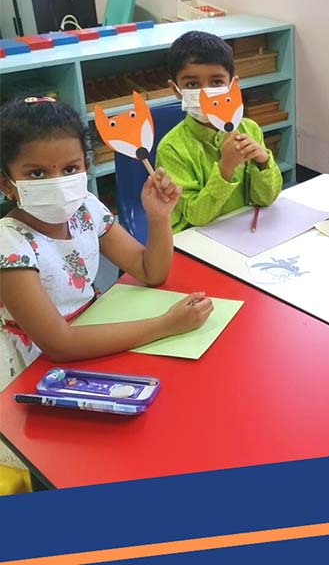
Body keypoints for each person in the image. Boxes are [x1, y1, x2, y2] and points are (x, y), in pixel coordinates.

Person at [0, 97, 213, 493]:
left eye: (69, 169)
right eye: (37, 173)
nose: (57, 182)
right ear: (7, 184)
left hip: (94, 338)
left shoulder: (85, 209)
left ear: (85, 166)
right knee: (74, 465)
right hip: (35, 366)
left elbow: (150, 270)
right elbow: (59, 344)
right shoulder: (8, 243)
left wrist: (158, 218)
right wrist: (166, 325)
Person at [157, 31, 282, 232]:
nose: (206, 94)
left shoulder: (249, 129)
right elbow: (195, 217)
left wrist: (263, 163)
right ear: (175, 90)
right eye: (192, 84)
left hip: (242, 232)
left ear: (233, 85)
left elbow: (266, 199)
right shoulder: (171, 148)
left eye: (216, 82)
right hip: (196, 238)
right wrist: (225, 168)